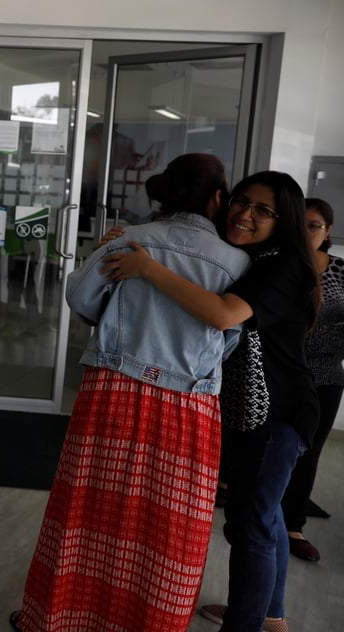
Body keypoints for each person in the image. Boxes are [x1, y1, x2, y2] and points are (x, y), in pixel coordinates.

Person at [11, 154, 250, 632]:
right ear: (217, 197)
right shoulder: (239, 262)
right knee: (168, 531)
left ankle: (58, 618)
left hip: (112, 389)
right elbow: (229, 337)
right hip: (191, 405)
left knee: (85, 511)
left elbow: (80, 296)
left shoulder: (129, 239)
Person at [103, 170, 320, 632]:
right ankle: (268, 614)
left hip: (277, 414)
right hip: (254, 411)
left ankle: (247, 622)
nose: (244, 214)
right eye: (241, 201)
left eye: (263, 211)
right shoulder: (252, 257)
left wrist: (148, 268)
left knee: (250, 524)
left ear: (285, 221)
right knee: (266, 515)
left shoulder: (282, 265)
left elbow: (223, 315)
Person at [281, 197, 341, 563]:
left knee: (310, 451)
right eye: (299, 224)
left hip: (326, 375)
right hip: (281, 373)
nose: (306, 232)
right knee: (274, 448)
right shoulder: (275, 266)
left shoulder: (341, 271)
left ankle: (293, 524)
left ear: (328, 230)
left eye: (314, 225)